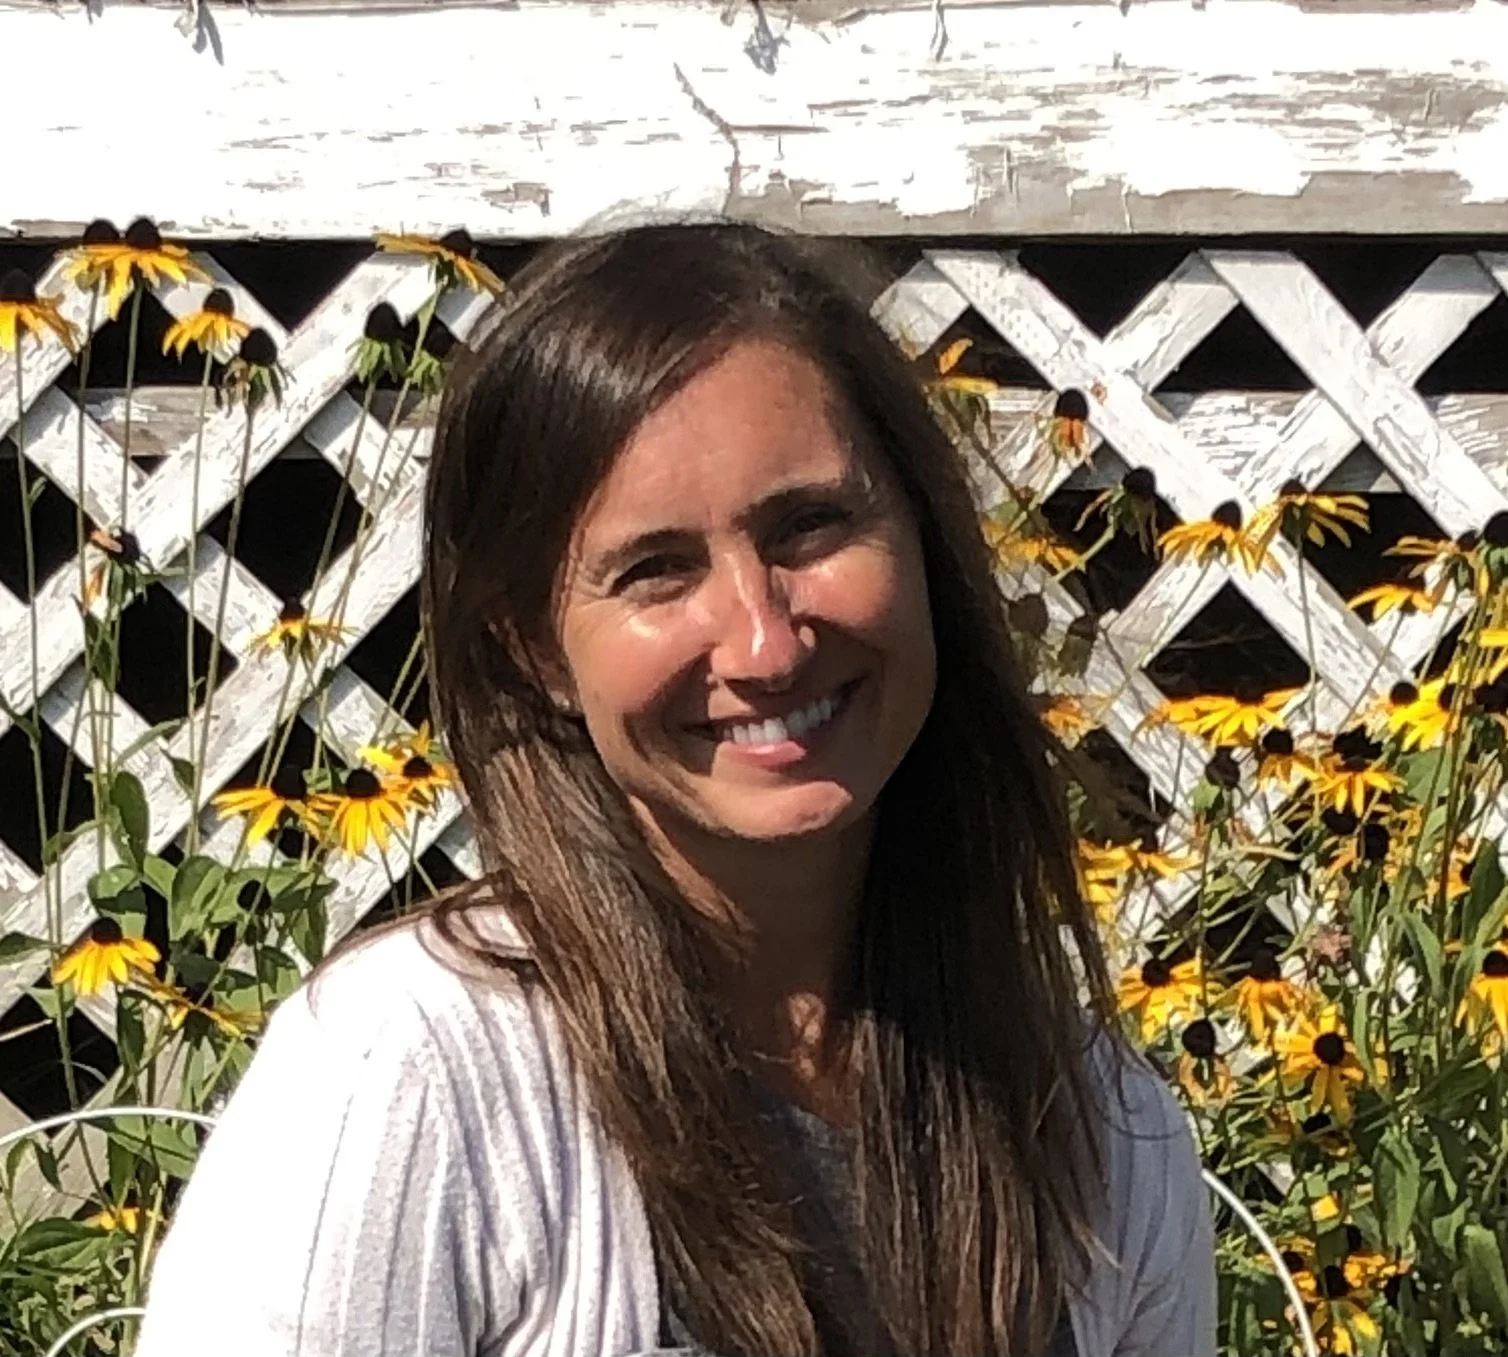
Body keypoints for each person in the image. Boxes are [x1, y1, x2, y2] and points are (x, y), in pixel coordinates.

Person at [135, 224, 1216, 1357]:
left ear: (923, 542)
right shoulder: (412, 1075)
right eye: (655, 570)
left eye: (809, 526)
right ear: (533, 651)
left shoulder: (1104, 1137)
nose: (763, 642)